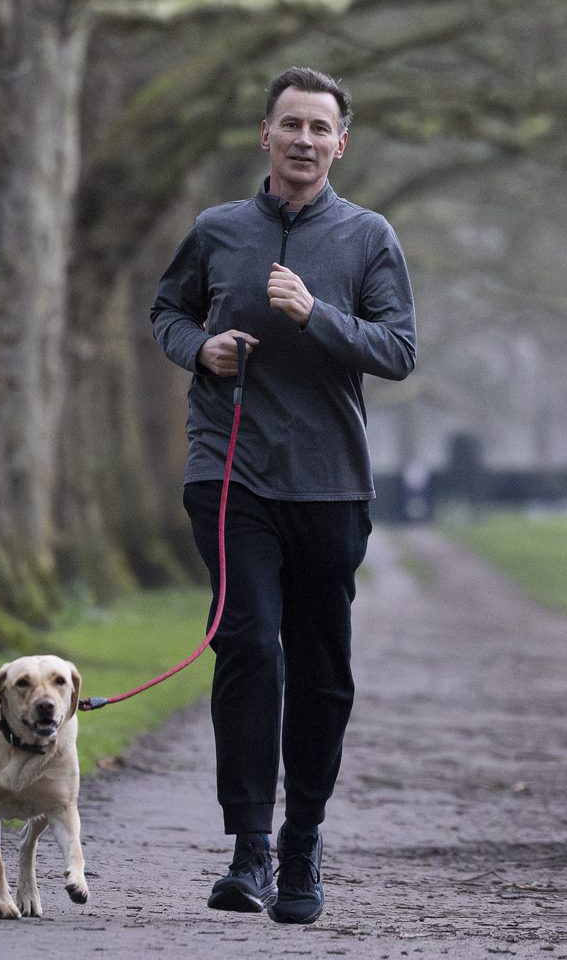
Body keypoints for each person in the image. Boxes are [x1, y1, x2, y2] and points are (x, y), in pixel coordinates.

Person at [149, 66, 417, 924]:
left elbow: (399, 349)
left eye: (320, 128)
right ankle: (249, 847)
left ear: (342, 143)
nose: (304, 140)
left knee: (320, 665)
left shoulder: (369, 238)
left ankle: (303, 840)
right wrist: (201, 349)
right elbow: (166, 312)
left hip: (332, 482)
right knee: (248, 645)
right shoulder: (218, 230)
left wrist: (315, 315)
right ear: (264, 135)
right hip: (229, 469)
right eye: (290, 125)